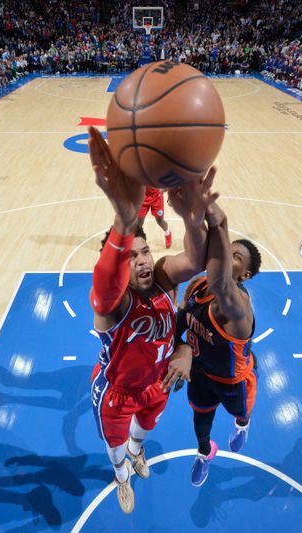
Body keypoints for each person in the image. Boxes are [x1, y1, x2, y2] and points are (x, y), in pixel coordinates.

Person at [87, 126, 213, 514]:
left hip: (158, 381)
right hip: (116, 391)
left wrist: (194, 219)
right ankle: (121, 478)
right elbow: (105, 287)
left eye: (144, 252)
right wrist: (124, 224)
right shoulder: (114, 303)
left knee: (144, 433)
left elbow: (195, 261)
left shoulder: (160, 277)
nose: (141, 259)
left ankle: (138, 454)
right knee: (116, 448)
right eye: (131, 255)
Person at [169, 199, 261, 487]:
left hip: (234, 380)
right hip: (201, 373)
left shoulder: (237, 307)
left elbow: (221, 282)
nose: (224, 255)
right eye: (226, 248)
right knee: (200, 424)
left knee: (240, 412)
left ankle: (242, 425)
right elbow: (180, 321)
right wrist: (178, 348)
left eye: (234, 256)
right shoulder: (197, 285)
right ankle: (205, 452)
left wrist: (218, 221)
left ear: (244, 275)